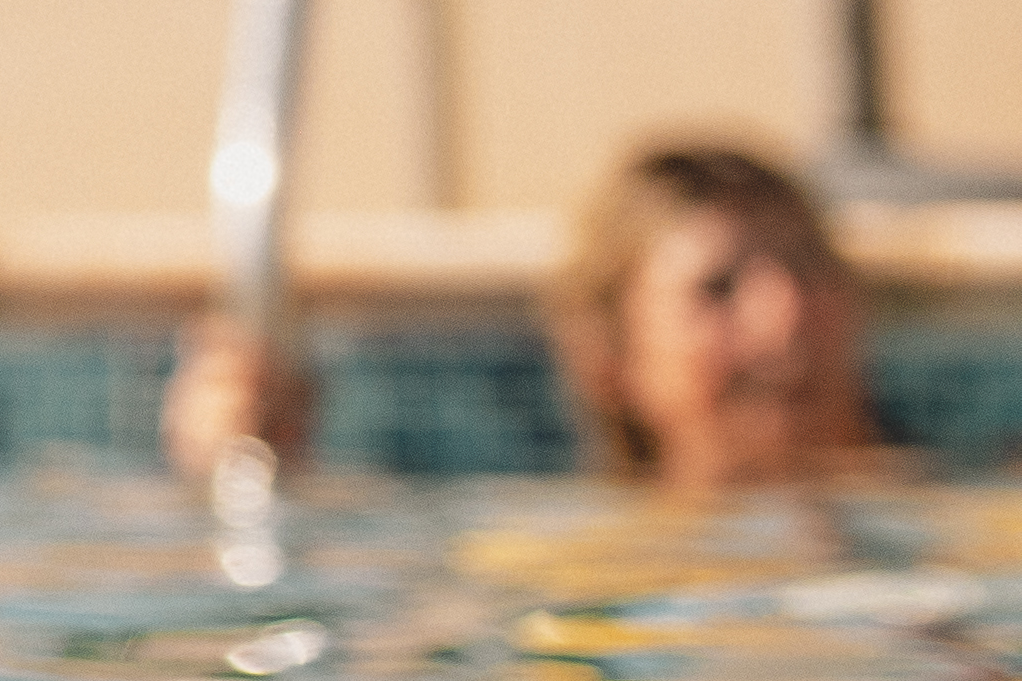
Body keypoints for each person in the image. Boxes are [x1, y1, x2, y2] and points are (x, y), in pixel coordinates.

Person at [166, 133, 883, 497]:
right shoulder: (568, 576)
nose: (787, 316)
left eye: (810, 270)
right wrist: (237, 471)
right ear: (612, 357)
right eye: (719, 289)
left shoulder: (982, 511)